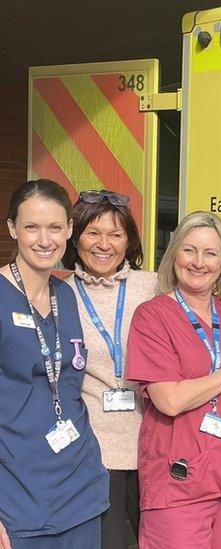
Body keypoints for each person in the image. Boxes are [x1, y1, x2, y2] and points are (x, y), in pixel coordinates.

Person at [126, 211, 221, 549]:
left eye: (210, 253)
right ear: (174, 255)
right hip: (178, 479)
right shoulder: (153, 315)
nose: (198, 262)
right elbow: (168, 400)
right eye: (189, 250)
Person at [0, 179, 108, 548]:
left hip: (79, 490)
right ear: (12, 227)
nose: (44, 240)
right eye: (31, 227)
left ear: (69, 230)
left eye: (55, 227)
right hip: (17, 498)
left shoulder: (65, 294)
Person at [63, 190, 157, 549]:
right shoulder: (59, 293)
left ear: (129, 240)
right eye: (93, 233)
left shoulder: (153, 287)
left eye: (116, 235)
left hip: (153, 446)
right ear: (75, 236)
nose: (104, 244)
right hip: (95, 454)